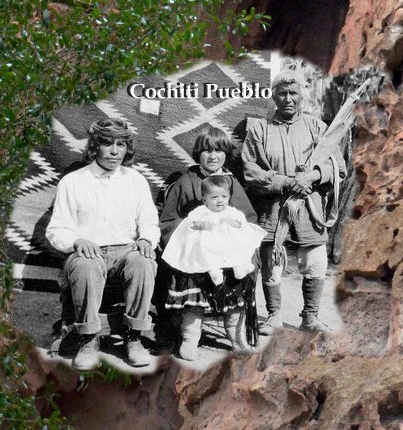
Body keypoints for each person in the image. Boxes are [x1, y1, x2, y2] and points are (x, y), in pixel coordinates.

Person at [45, 117, 159, 370]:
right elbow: (56, 230)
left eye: (121, 144)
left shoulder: (136, 181)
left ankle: (134, 338)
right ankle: (88, 339)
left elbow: (150, 222)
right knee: (86, 266)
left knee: (144, 262)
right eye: (107, 144)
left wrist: (146, 239)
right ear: (94, 146)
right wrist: (77, 240)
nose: (115, 151)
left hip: (125, 252)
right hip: (88, 253)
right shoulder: (73, 181)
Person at [240, 74, 343, 335]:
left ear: (301, 96)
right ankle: (273, 316)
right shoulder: (259, 129)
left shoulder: (318, 128)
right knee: (272, 262)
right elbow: (250, 172)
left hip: (310, 206)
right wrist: (286, 182)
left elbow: (338, 168)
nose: (288, 99)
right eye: (282, 93)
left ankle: (310, 317)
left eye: (293, 93)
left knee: (315, 261)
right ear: (274, 96)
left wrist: (313, 175)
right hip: (273, 207)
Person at [160, 175, 263, 359]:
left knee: (234, 305)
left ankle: (237, 340)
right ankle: (190, 341)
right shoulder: (200, 211)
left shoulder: (231, 211)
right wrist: (204, 224)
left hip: (229, 259)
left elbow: (242, 224)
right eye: (214, 197)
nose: (219, 201)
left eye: (223, 197)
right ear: (204, 199)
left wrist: (233, 223)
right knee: (194, 307)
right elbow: (190, 225)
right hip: (204, 259)